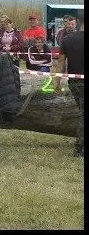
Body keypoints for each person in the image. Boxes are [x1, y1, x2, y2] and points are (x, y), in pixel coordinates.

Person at [53, 16, 84, 157]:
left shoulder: (67, 40)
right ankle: (79, 148)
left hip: (74, 83)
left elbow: (60, 62)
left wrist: (57, 81)